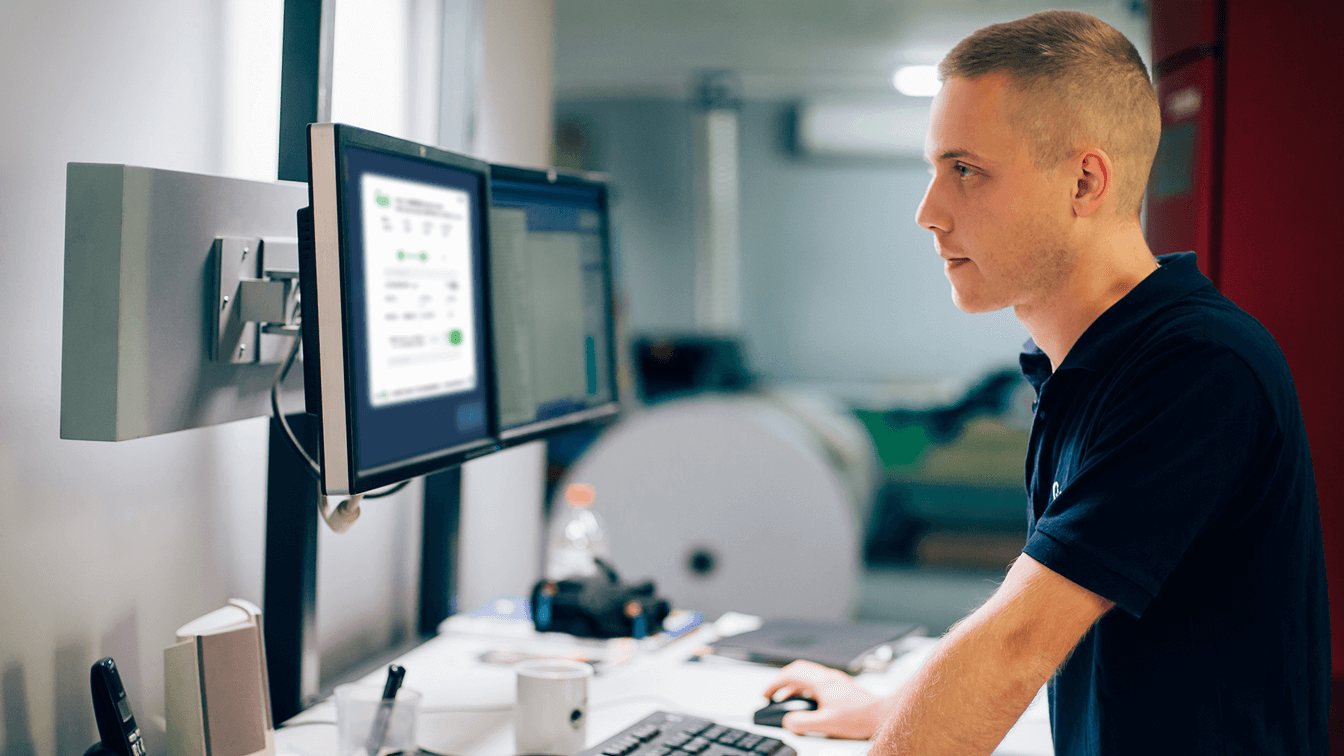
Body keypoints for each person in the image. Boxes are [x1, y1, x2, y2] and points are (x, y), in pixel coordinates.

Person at [763, 10, 1329, 754]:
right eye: (935, 169)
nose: (928, 213)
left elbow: (1017, 644)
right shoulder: (1082, 365)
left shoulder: (1197, 367)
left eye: (965, 170)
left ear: (1084, 182)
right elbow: (1038, 607)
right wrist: (890, 709)